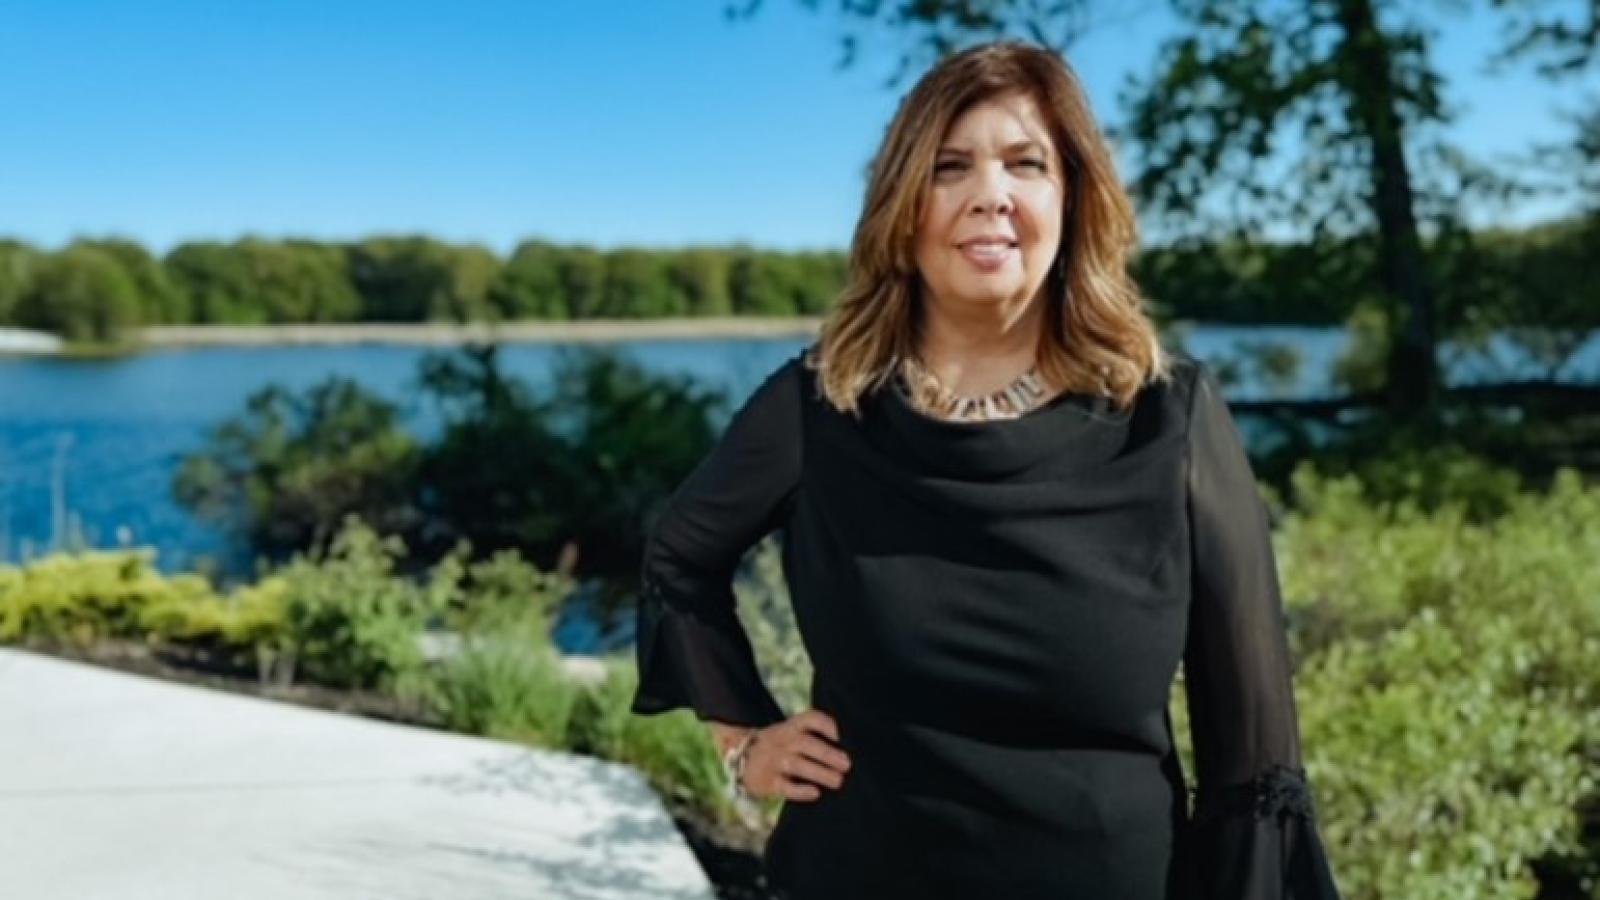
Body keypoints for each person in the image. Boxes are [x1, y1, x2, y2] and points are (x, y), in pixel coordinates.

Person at [629, 39, 1343, 900]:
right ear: (904, 205)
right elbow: (679, 558)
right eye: (950, 166)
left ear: (1073, 199)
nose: (989, 196)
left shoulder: (1170, 419)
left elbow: (1254, 768)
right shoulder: (819, 408)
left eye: (1026, 164)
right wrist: (743, 742)